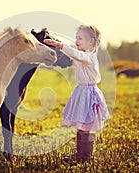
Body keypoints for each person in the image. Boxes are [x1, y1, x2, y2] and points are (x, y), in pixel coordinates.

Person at [44, 25, 110, 163]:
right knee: (82, 126)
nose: (77, 41)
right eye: (76, 38)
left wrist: (59, 44)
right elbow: (71, 54)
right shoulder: (82, 56)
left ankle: (86, 157)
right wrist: (53, 42)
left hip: (88, 94)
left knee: (86, 127)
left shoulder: (88, 57)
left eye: (80, 38)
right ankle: (80, 155)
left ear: (91, 42)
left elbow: (75, 54)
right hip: (82, 92)